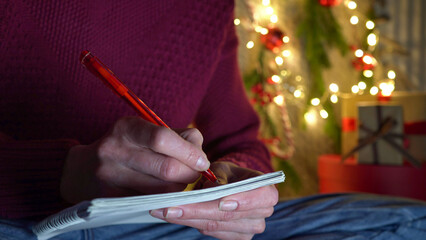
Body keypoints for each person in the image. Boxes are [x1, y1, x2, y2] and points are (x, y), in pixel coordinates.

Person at [1, 1, 425, 240]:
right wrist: (61, 171)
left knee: (413, 224)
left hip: (166, 226)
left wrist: (238, 186)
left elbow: (241, 142)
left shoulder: (208, 8)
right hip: (24, 220)